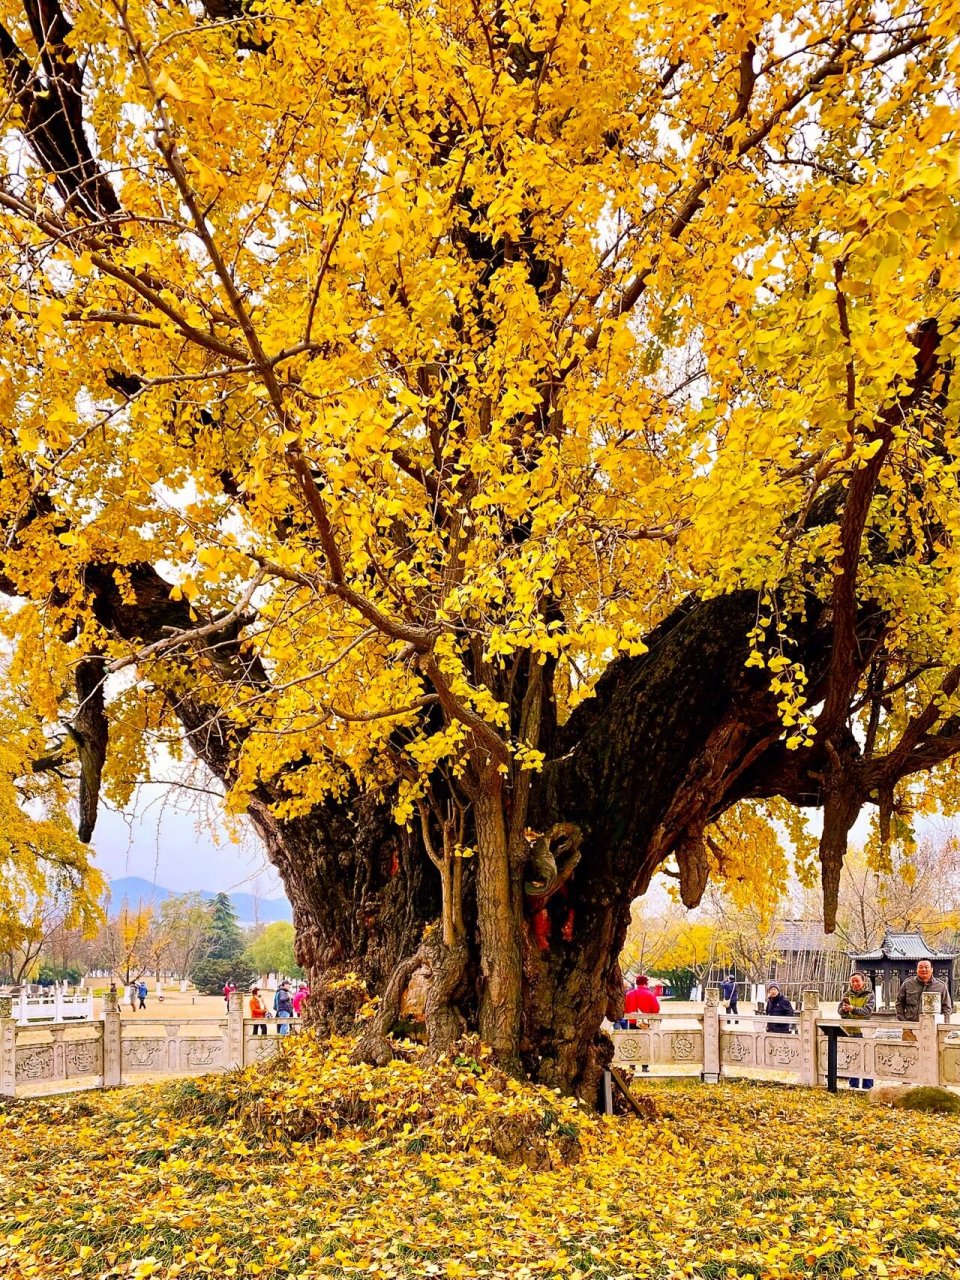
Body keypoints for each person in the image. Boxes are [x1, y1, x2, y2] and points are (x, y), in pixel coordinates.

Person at [839, 971, 875, 1090]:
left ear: (863, 982)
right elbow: (840, 1011)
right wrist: (844, 1010)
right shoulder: (847, 994)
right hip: (849, 1030)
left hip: (863, 1031)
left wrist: (853, 1009)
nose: (855, 984)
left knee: (866, 1059)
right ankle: (853, 1085)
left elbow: (867, 1011)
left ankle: (867, 1086)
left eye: (857, 981)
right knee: (852, 1058)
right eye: (852, 981)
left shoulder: (869, 995)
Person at [896, 960, 953, 1024]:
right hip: (911, 1025)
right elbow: (899, 1002)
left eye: (926, 967)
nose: (923, 969)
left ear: (931, 969)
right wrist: (902, 1019)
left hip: (933, 1026)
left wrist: (944, 1024)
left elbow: (947, 1007)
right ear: (917, 969)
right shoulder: (908, 984)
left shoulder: (941, 986)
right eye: (920, 967)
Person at [623, 974, 660, 1072]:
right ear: (646, 983)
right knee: (645, 1044)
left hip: (632, 1022)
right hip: (645, 1023)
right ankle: (644, 1066)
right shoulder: (650, 994)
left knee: (632, 1043)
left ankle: (632, 1065)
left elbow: (625, 1009)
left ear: (636, 982)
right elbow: (656, 1009)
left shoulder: (629, 994)